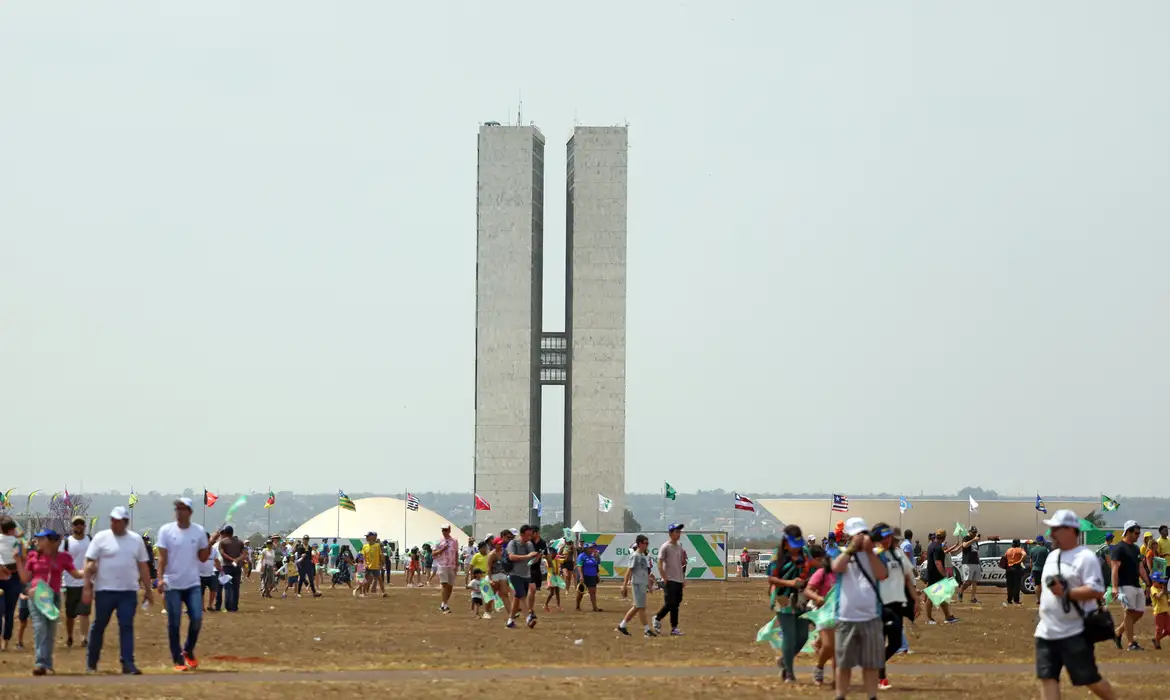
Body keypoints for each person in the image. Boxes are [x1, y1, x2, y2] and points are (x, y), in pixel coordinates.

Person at [1034, 509, 1116, 700]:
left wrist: (1066, 593)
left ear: (1071, 531)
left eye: (1055, 529)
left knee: (1089, 679)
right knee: (1047, 678)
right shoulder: (1052, 556)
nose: (1051, 533)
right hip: (1046, 632)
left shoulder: (1085, 557)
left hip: (1074, 632)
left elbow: (1096, 590)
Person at [84, 506, 152, 674]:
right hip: (104, 590)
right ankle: (91, 663)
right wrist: (87, 586)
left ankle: (127, 663)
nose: (114, 523)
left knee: (126, 626)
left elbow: (143, 565)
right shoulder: (100, 538)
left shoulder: (136, 540)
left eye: (118, 521)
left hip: (128, 592)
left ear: (126, 522)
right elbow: (89, 561)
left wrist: (148, 590)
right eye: (112, 520)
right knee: (99, 625)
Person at [18, 528, 86, 676]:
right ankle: (40, 662)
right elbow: (25, 578)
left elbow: (75, 573)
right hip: (38, 593)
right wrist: (18, 561)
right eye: (37, 539)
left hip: (53, 595)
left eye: (42, 539)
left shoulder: (63, 557)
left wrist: (89, 569)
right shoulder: (33, 556)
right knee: (40, 627)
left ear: (52, 542)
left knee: (50, 630)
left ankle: (46, 663)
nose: (38, 542)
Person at [156, 497, 214, 672]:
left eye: (182, 508)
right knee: (174, 622)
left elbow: (202, 558)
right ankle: (177, 659)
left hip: (192, 583)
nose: (179, 512)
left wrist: (210, 543)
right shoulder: (166, 531)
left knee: (196, 618)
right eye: (177, 508)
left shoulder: (198, 531)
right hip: (172, 583)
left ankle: (188, 650)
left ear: (190, 512)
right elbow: (162, 558)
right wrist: (160, 578)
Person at [873, 523, 916, 691]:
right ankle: (881, 677)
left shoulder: (898, 555)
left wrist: (915, 600)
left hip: (897, 602)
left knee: (896, 641)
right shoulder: (875, 555)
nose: (894, 542)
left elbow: (907, 577)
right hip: (880, 603)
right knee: (880, 639)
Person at [767, 524, 812, 682]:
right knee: (790, 636)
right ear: (785, 542)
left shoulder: (805, 554)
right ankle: (789, 673)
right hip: (783, 598)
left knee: (803, 636)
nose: (796, 549)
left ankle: (784, 661)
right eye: (793, 545)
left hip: (802, 599)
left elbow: (812, 571)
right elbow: (771, 579)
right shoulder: (777, 556)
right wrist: (790, 583)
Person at [1111, 520, 1150, 651]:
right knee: (1129, 611)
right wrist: (1115, 587)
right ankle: (1131, 643)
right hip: (1124, 585)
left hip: (1136, 584)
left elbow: (1141, 567)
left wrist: (1148, 582)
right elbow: (1115, 569)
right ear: (1128, 532)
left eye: (1139, 533)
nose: (1138, 536)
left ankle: (1117, 632)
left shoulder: (1135, 548)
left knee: (1139, 612)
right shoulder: (1119, 548)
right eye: (1136, 533)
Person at [803, 545, 836, 686]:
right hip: (825, 614)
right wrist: (817, 598)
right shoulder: (822, 573)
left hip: (843, 613)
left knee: (838, 650)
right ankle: (819, 667)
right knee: (829, 646)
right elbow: (808, 590)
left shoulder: (847, 574)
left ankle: (838, 679)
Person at [60, 516, 92, 649]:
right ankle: (70, 636)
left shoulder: (90, 540)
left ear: (85, 526)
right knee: (70, 614)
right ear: (72, 526)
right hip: (70, 582)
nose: (78, 526)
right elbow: (60, 561)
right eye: (76, 524)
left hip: (86, 582)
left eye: (81, 524)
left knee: (85, 612)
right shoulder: (66, 543)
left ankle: (84, 637)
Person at [617, 534, 658, 637]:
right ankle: (647, 629)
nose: (647, 545)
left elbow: (645, 572)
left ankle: (622, 626)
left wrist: (648, 584)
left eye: (647, 543)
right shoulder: (635, 556)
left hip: (642, 584)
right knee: (641, 608)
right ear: (639, 544)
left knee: (637, 607)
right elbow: (629, 571)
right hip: (637, 584)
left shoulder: (643, 556)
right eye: (645, 543)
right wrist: (624, 585)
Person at [654, 523, 688, 636]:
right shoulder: (665, 547)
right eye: (676, 531)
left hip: (678, 579)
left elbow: (680, 564)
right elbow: (659, 563)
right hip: (669, 579)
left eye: (679, 532)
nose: (679, 534)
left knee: (676, 602)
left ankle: (661, 620)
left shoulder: (679, 546)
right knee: (672, 603)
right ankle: (670, 625)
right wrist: (664, 577)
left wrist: (683, 578)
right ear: (670, 533)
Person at [505, 524, 540, 629]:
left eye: (531, 535)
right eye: (528, 535)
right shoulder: (513, 543)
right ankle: (528, 618)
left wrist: (537, 557)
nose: (529, 538)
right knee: (522, 596)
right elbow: (511, 557)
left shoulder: (529, 544)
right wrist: (527, 556)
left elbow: (531, 560)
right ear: (522, 534)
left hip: (526, 574)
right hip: (515, 574)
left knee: (517, 597)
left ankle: (510, 620)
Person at [0, 515, 25, 652]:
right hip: (14, 577)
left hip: (2, 575)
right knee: (10, 612)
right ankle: (6, 641)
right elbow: (22, 558)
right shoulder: (18, 542)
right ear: (12, 529)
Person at [924, 529, 959, 625]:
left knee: (942, 595)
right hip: (936, 574)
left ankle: (948, 616)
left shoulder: (931, 545)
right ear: (944, 537)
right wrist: (944, 574)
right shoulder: (938, 547)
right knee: (932, 597)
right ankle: (931, 618)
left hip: (932, 573)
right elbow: (938, 563)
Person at [432, 525, 460, 614]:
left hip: (451, 565)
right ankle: (445, 605)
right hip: (442, 565)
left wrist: (456, 564)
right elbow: (433, 554)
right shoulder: (439, 541)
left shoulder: (454, 541)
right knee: (445, 585)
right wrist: (442, 549)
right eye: (443, 530)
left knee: (450, 586)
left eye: (446, 530)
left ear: (449, 530)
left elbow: (456, 553)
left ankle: (444, 603)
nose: (444, 531)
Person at [954, 527, 981, 604]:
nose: (975, 534)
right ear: (969, 532)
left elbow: (976, 551)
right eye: (973, 532)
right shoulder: (966, 538)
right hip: (968, 562)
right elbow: (965, 545)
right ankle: (961, 592)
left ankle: (973, 598)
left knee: (974, 581)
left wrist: (979, 562)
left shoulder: (975, 540)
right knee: (967, 581)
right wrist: (973, 540)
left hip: (975, 562)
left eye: (975, 532)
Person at [526, 528, 550, 614]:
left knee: (534, 590)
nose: (530, 536)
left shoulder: (543, 543)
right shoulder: (528, 543)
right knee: (531, 589)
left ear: (536, 533)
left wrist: (551, 566)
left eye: (531, 534)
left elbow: (547, 554)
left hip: (537, 569)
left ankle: (530, 608)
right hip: (527, 568)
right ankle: (529, 609)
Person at [486, 536, 511, 616]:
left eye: (501, 544)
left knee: (505, 594)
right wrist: (490, 579)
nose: (500, 545)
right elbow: (489, 568)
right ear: (495, 544)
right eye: (498, 544)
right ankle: (487, 611)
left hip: (502, 575)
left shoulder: (504, 552)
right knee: (491, 595)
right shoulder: (492, 554)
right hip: (494, 576)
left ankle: (510, 613)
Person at [197, 533, 221, 611]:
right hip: (199, 574)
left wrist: (220, 569)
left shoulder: (213, 550)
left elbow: (216, 561)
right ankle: (201, 607)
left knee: (214, 589)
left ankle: (210, 606)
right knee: (201, 592)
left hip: (211, 573)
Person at [576, 543, 603, 612]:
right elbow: (579, 566)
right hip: (584, 576)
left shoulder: (593, 556)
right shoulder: (581, 556)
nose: (592, 549)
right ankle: (577, 606)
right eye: (590, 548)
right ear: (586, 549)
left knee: (593, 592)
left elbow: (598, 564)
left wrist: (597, 556)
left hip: (592, 576)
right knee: (581, 593)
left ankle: (595, 607)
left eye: (592, 548)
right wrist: (581, 576)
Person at [1004, 538, 1030, 606]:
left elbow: (1005, 557)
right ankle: (1016, 600)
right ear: (1019, 544)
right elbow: (1024, 554)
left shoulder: (1008, 550)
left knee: (1009, 585)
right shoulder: (1020, 549)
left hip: (1009, 568)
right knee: (1016, 585)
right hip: (1016, 568)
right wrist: (1020, 561)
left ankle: (1009, 600)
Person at [361, 532, 385, 598]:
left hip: (376, 566)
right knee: (365, 580)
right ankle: (363, 593)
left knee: (380, 580)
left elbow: (381, 556)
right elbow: (364, 557)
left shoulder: (377, 546)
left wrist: (382, 564)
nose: (366, 538)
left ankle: (383, 592)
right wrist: (364, 564)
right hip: (367, 566)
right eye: (366, 536)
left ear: (372, 537)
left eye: (367, 536)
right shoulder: (365, 546)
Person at [1150, 571, 1169, 650]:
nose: (1161, 584)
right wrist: (1163, 591)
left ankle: (1156, 639)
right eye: (1160, 582)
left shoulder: (1161, 589)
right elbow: (1157, 596)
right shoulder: (1153, 588)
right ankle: (1157, 643)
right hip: (1159, 612)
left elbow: (1166, 600)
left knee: (1168, 630)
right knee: (1159, 630)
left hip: (1166, 612)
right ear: (1154, 581)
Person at [1030, 536, 1051, 605]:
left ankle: (1038, 599)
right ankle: (1044, 599)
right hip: (1043, 569)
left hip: (1035, 569)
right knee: (1044, 584)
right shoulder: (1044, 549)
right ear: (1042, 542)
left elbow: (1030, 561)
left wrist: (1031, 570)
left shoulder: (1032, 550)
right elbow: (1048, 560)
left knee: (1037, 585)